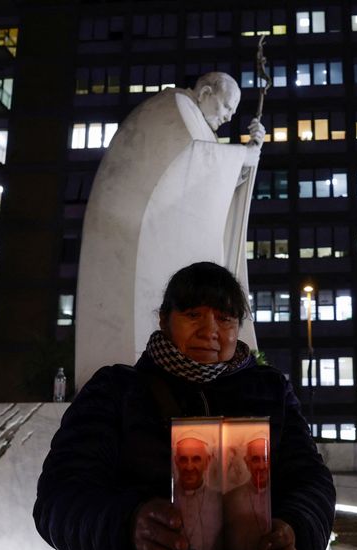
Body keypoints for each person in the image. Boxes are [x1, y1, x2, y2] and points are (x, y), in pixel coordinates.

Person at [34, 262, 336, 550]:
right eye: (193, 314)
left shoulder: (271, 392)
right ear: (164, 319)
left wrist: (295, 530)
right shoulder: (116, 391)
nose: (209, 330)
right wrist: (130, 526)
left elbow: (311, 482)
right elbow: (59, 500)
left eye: (225, 318)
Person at [75, 71, 267, 387]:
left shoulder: (198, 122)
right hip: (143, 232)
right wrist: (243, 155)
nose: (225, 118)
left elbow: (204, 179)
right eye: (223, 109)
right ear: (205, 92)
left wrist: (247, 158)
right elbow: (188, 161)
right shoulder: (175, 107)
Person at [173, 435, 223, 550]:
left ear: (207, 462)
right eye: (183, 459)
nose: (189, 467)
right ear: (176, 461)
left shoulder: (220, 501)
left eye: (196, 459)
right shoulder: (167, 498)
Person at [224, 437, 272, 550]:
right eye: (256, 459)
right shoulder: (231, 499)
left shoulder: (281, 494)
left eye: (265, 459)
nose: (262, 466)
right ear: (247, 462)